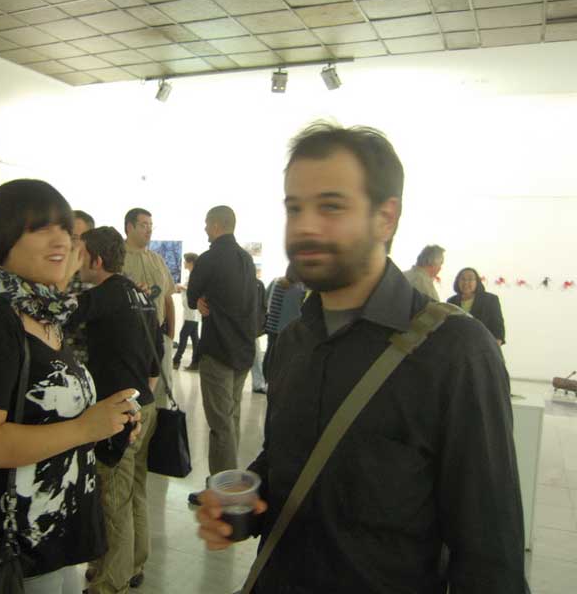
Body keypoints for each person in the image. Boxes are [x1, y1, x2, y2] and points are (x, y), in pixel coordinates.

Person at [196, 122, 527, 593]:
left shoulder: (455, 352)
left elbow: (490, 557)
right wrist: (248, 503)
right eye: (295, 208)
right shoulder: (293, 342)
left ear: (385, 217)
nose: (306, 226)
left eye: (331, 206)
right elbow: (292, 461)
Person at [0, 180, 140, 594]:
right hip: (13, 544)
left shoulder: (45, 315)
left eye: (66, 229)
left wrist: (109, 427)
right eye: (41, 229)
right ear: (3, 239)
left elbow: (49, 421)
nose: (62, 240)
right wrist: (85, 427)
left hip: (58, 534)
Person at [68, 226, 160, 594]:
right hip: (146, 405)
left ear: (96, 260)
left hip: (119, 413)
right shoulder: (140, 296)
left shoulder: (102, 296)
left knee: (113, 499)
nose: (77, 263)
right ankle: (134, 563)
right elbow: (157, 356)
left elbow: (57, 318)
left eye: (80, 255)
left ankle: (111, 583)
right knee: (135, 489)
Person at [187, 205, 258, 504]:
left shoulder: (210, 257)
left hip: (218, 349)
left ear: (216, 225)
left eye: (207, 224)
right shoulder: (246, 259)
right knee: (231, 419)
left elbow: (191, 295)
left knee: (220, 425)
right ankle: (228, 484)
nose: (205, 229)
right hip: (243, 350)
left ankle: (222, 493)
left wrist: (200, 299)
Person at [122, 208, 176, 408]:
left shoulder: (157, 260)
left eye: (151, 225)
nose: (149, 230)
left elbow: (167, 298)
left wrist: (170, 336)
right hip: (129, 339)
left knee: (161, 397)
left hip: (158, 337)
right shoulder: (118, 259)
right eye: (144, 225)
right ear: (129, 227)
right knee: (132, 399)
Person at [61, 209, 95, 364]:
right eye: (65, 236)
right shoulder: (46, 275)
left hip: (89, 367)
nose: (67, 243)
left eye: (74, 238)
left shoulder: (98, 278)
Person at [262, 266, 307, 382]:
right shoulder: (302, 288)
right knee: (286, 357)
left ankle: (267, 379)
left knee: (270, 353)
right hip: (291, 328)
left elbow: (265, 299)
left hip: (273, 326)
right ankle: (280, 380)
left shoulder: (275, 282)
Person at [448, 267, 506, 346]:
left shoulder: (490, 299)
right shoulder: (451, 301)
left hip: (484, 346)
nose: (466, 282)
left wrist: (495, 346)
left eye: (470, 279)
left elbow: (498, 326)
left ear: (477, 282)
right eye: (462, 279)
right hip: (458, 347)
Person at [172, 252, 201, 371]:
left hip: (192, 312)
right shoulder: (192, 275)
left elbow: (194, 290)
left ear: (191, 262)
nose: (184, 263)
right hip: (190, 312)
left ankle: (176, 360)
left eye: (185, 261)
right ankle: (196, 362)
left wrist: (181, 286)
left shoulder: (195, 276)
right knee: (195, 338)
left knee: (183, 335)